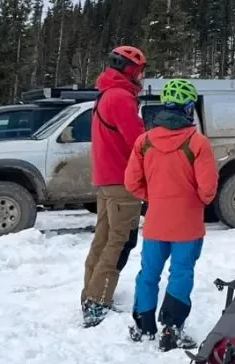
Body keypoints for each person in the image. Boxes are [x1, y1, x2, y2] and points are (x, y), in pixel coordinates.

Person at [124, 79, 219, 351]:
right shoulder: (198, 142)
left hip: (156, 221)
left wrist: (153, 197)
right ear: (189, 109)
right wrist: (194, 202)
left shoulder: (144, 141)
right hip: (187, 224)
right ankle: (171, 329)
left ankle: (144, 326)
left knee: (148, 273)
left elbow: (131, 182)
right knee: (181, 273)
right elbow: (208, 189)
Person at [81, 45, 147, 328]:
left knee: (105, 238)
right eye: (140, 71)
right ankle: (97, 301)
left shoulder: (106, 94)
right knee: (120, 241)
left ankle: (91, 293)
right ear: (130, 70)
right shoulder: (120, 97)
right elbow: (137, 140)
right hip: (122, 180)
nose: (142, 77)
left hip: (107, 179)